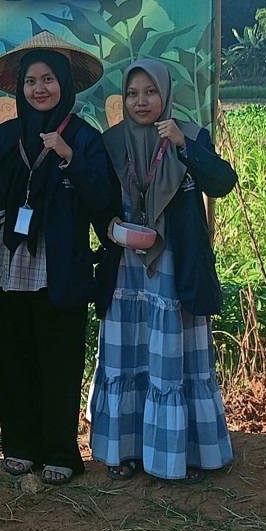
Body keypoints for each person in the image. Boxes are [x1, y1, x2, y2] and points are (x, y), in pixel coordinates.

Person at [0, 32, 118, 486]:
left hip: (60, 261)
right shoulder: (4, 136)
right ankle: (18, 444)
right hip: (10, 259)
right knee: (13, 357)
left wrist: (70, 159)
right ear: (19, 89)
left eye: (49, 80)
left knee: (59, 359)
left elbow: (104, 200)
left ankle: (61, 450)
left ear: (65, 85)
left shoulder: (84, 137)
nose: (40, 89)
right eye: (31, 81)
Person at [89, 59, 237, 484]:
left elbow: (223, 182)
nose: (141, 101)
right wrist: (109, 228)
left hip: (176, 265)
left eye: (150, 92)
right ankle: (123, 451)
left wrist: (184, 149)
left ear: (166, 95)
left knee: (174, 361)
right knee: (126, 355)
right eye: (133, 94)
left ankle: (184, 454)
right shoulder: (110, 142)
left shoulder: (190, 135)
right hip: (125, 269)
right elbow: (98, 201)